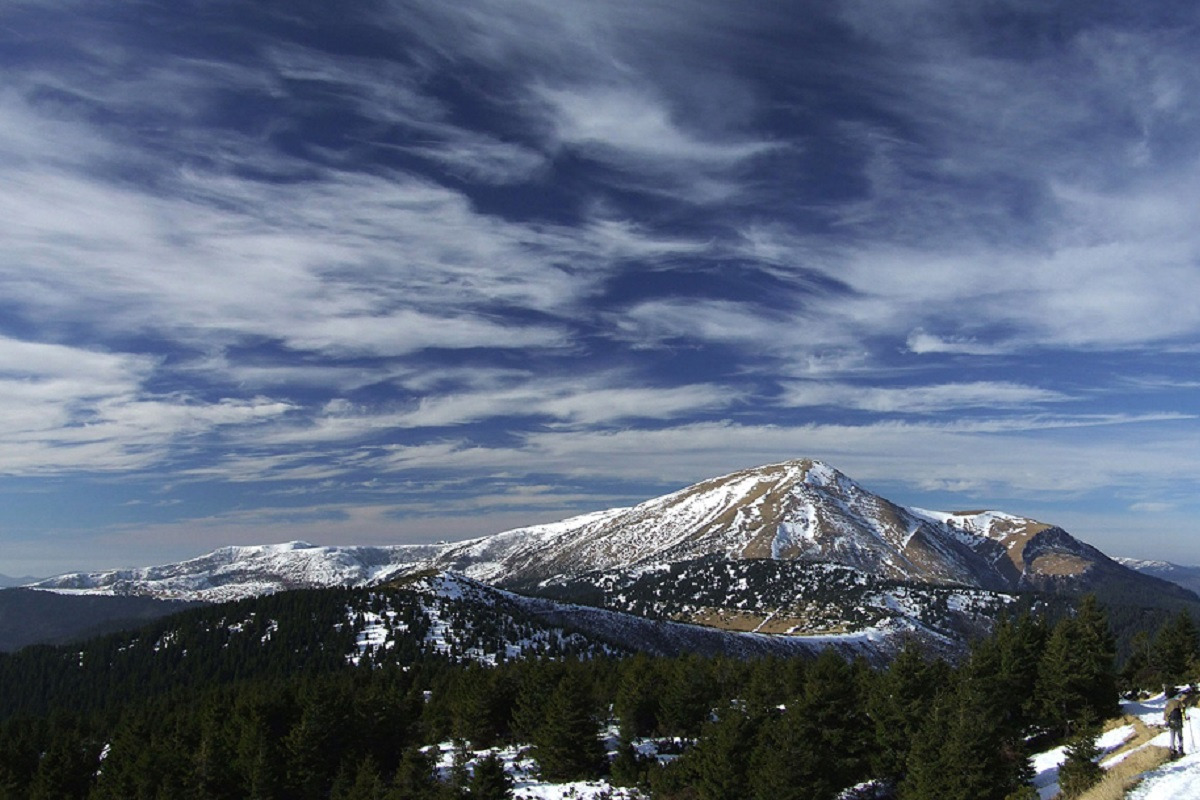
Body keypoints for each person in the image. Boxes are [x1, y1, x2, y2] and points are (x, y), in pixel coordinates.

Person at [1166, 693, 1186, 757]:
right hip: (1179, 722)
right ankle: (1180, 749)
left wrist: (1167, 721)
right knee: (1180, 736)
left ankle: (1172, 749)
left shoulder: (1169, 703)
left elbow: (1166, 713)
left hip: (1172, 722)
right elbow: (1183, 711)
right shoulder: (1179, 703)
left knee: (1172, 736)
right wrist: (1185, 718)